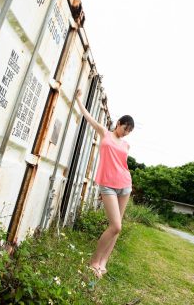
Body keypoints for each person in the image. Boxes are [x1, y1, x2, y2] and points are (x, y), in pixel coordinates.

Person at [75, 88, 134, 278]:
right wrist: (78, 100)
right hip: (107, 184)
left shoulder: (126, 145)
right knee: (115, 225)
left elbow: (122, 165)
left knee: (119, 228)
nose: (126, 133)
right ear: (118, 123)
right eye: (125, 128)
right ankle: (93, 261)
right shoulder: (105, 134)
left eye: (129, 131)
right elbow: (89, 118)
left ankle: (103, 263)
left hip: (125, 184)